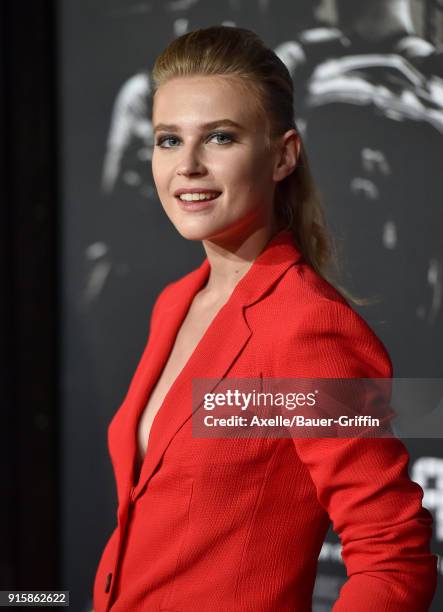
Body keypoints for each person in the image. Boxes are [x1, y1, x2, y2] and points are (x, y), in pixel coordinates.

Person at [93, 26, 437, 611]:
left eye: (220, 138)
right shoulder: (175, 302)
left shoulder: (307, 327)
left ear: (283, 155)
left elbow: (391, 554)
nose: (188, 166)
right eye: (169, 140)